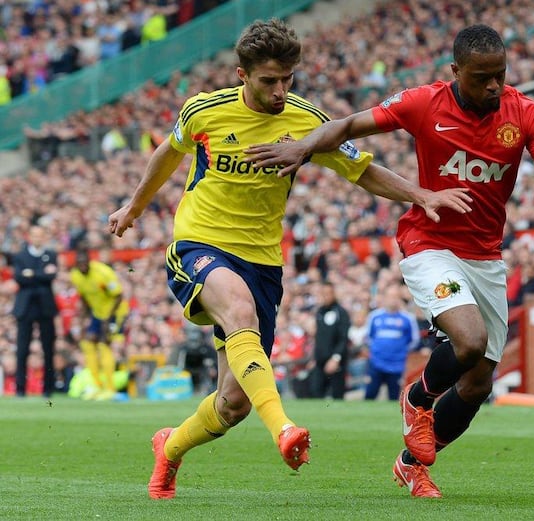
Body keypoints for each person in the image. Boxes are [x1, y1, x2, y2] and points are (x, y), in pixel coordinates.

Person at [107, 19, 471, 500]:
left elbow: (361, 170)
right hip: (200, 243)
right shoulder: (204, 110)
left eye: (288, 79)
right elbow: (167, 154)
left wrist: (419, 193)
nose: (281, 91)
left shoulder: (306, 120)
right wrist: (134, 205)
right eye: (269, 81)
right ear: (242, 74)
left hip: (263, 263)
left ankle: (170, 447)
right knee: (239, 312)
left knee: (232, 403)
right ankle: (283, 429)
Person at [244, 23, 534, 498]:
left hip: (485, 257)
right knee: (469, 341)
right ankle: (417, 398)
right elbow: (346, 126)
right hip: (429, 244)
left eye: (500, 75)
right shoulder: (424, 102)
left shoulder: (523, 111)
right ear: (455, 72)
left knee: (479, 383)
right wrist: (303, 147)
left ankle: (411, 465)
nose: (493, 86)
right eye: (482, 77)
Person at [70, 249, 129, 400]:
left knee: (104, 344)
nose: (82, 266)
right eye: (79, 263)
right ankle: (96, 386)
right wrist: (83, 321)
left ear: (89, 262)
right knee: (88, 343)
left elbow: (118, 296)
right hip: (98, 314)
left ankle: (110, 389)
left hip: (115, 312)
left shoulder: (103, 273)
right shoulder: (76, 276)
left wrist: (108, 320)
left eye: (84, 263)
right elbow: (84, 298)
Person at [11, 225, 58, 398]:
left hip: (45, 307)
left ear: (44, 237)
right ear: (29, 236)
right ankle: (20, 389)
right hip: (26, 308)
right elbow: (19, 277)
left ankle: (48, 389)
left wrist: (32, 274)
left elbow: (50, 276)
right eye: (34, 235)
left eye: (41, 235)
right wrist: (41, 274)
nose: (38, 238)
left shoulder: (51, 254)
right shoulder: (21, 255)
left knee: (48, 349)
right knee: (22, 349)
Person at [363, 283, 420, 401]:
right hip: (376, 363)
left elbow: (414, 340)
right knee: (369, 396)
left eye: (395, 297)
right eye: (390, 296)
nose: (392, 300)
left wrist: (401, 351)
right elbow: (368, 338)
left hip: (397, 365)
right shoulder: (374, 316)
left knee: (394, 398)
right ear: (384, 298)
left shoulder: (408, 319)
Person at [310, 282, 351, 399]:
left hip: (336, 362)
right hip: (320, 361)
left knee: (337, 395)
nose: (325, 296)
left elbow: (343, 338)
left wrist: (335, 358)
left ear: (334, 294)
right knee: (315, 392)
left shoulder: (341, 313)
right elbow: (319, 337)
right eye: (323, 294)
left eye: (328, 293)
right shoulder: (319, 312)